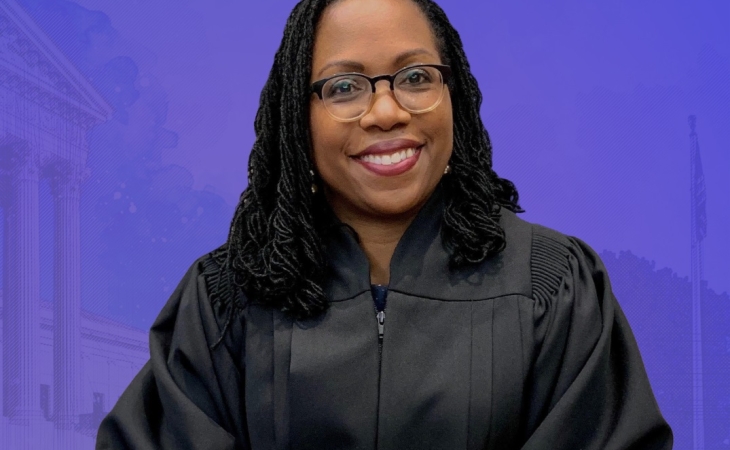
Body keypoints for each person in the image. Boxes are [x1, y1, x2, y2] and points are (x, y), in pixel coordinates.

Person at [96, 0, 673, 448]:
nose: (387, 111)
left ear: (454, 93)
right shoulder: (226, 300)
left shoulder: (552, 285)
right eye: (344, 87)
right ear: (297, 116)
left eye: (416, 77)